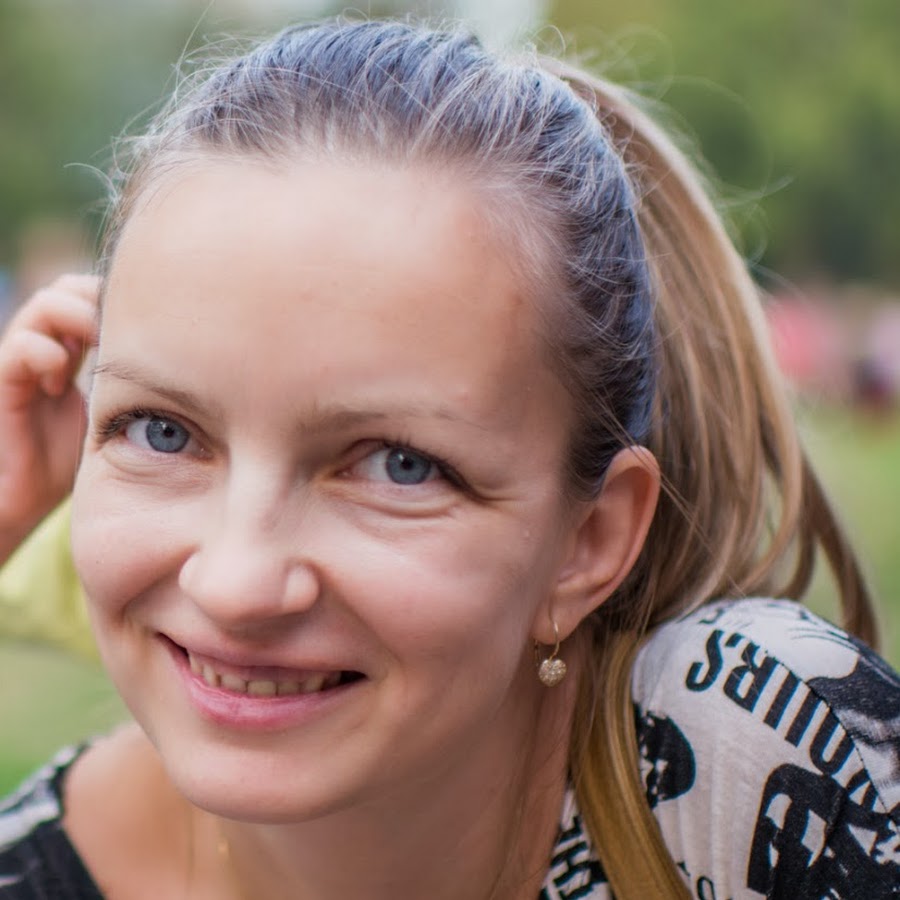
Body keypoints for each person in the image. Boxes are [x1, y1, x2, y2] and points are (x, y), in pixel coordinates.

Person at [0, 19, 897, 900]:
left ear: (587, 541)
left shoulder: (747, 770)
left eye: (398, 465)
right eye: (160, 431)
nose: (236, 585)